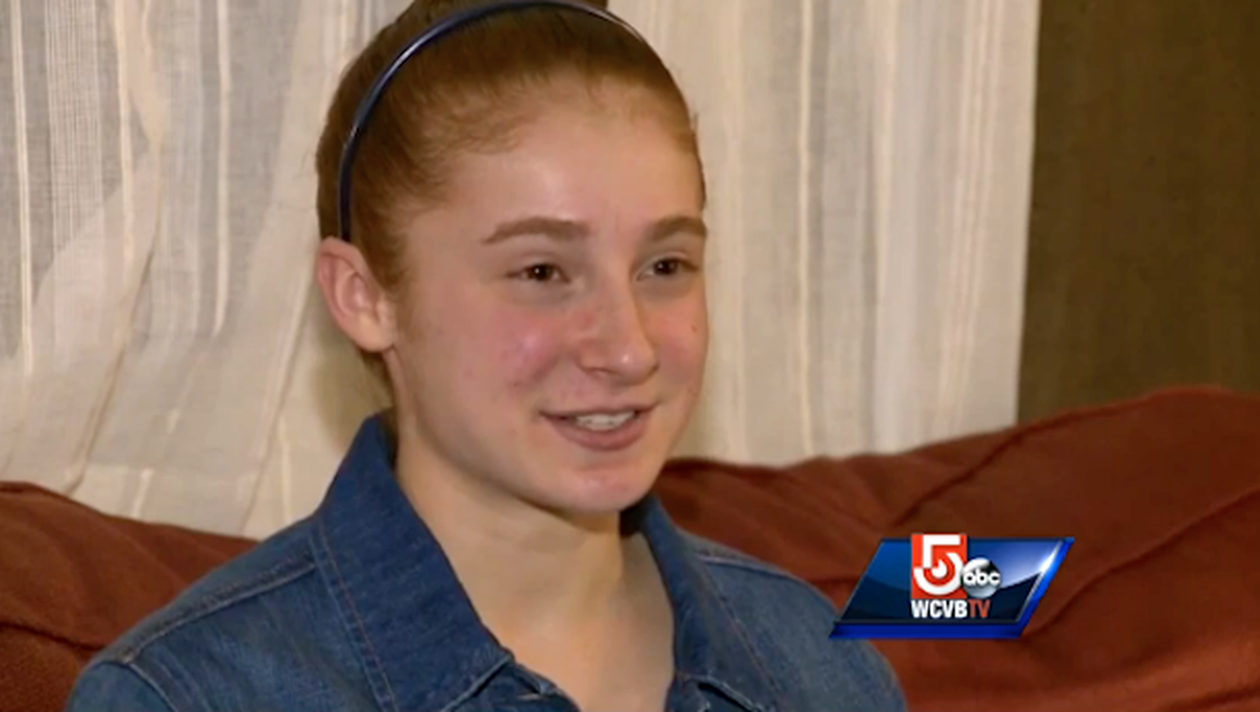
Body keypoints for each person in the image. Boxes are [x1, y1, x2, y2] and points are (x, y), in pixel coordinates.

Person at [65, 1, 906, 710]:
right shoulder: (186, 695)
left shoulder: (821, 664)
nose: (627, 348)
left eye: (665, 266)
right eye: (541, 272)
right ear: (365, 297)